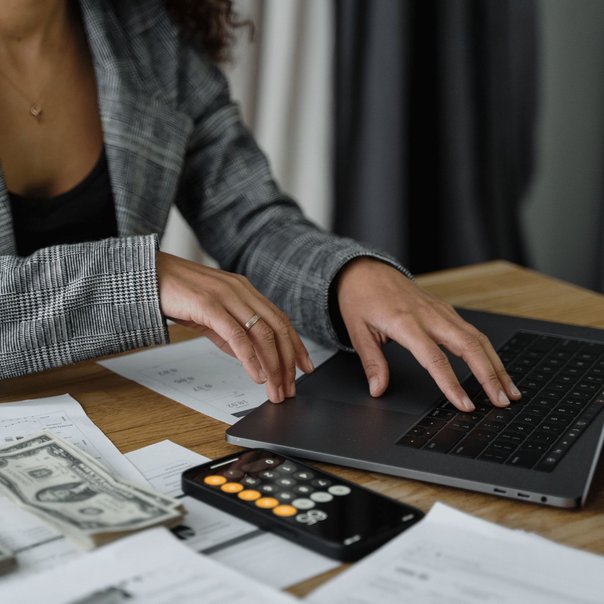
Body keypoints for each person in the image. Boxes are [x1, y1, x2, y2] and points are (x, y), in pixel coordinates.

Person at [0, 0, 521, 413]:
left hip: (115, 408)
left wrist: (347, 276)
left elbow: (249, 221)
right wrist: (141, 278)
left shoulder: (148, 31)